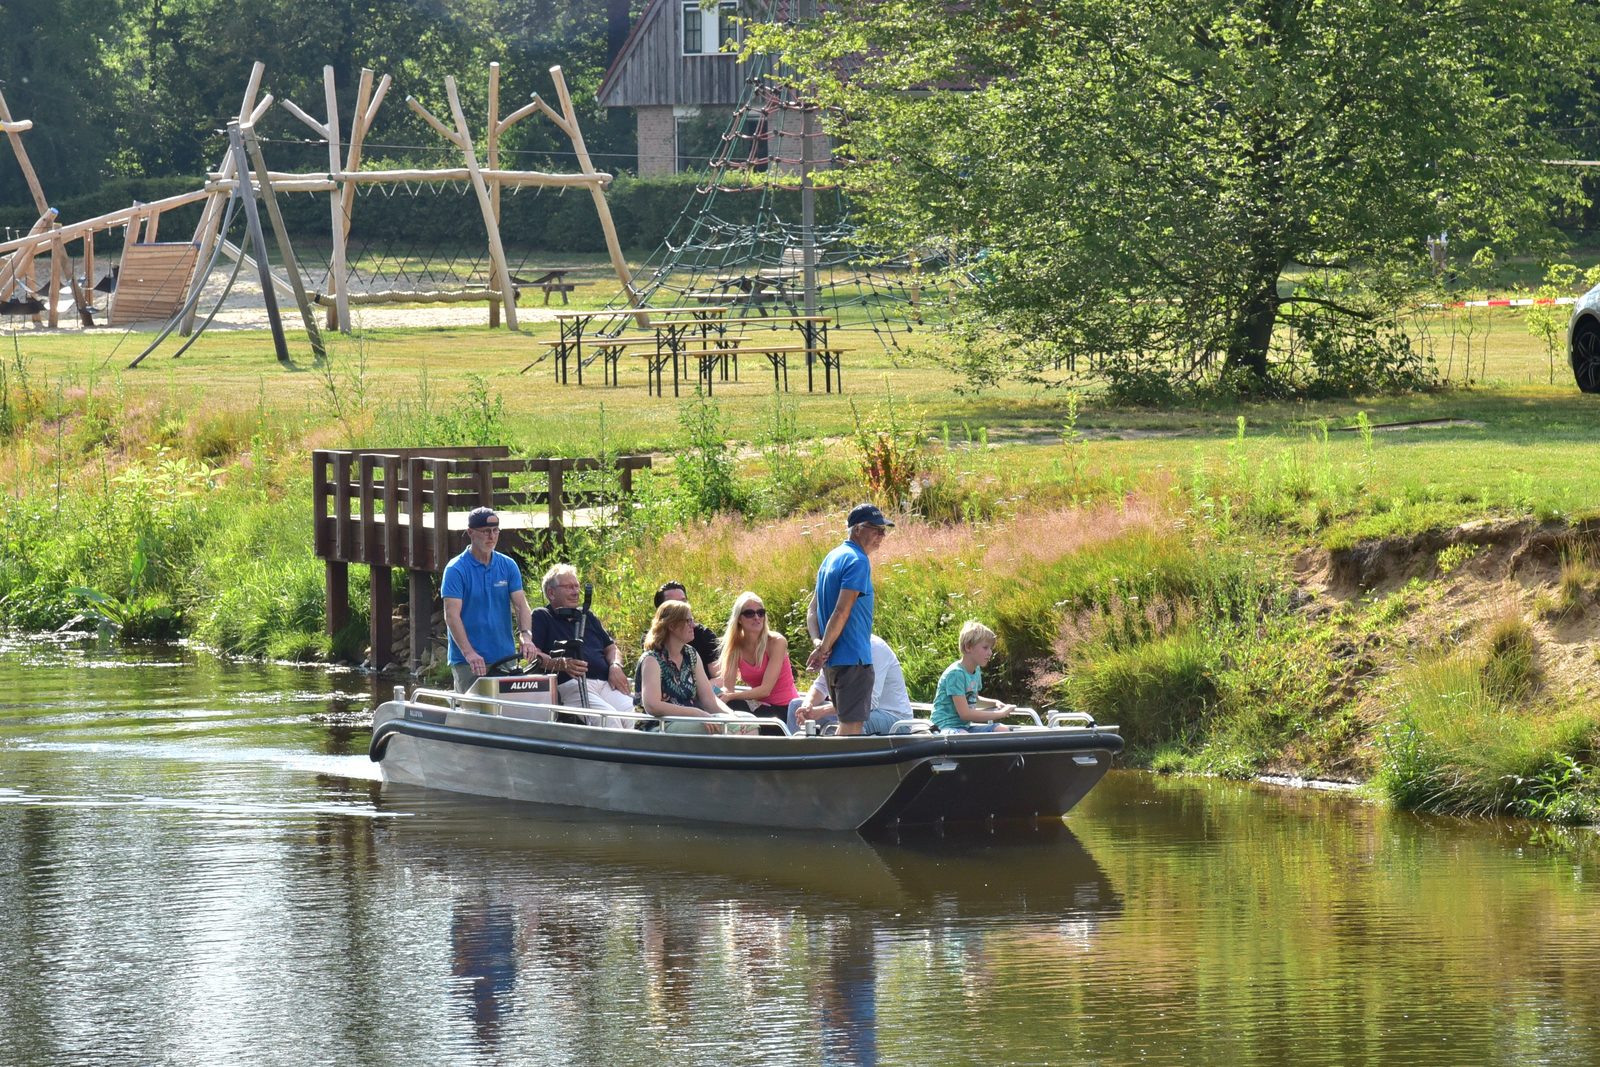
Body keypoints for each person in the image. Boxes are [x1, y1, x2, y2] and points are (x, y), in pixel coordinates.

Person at [806, 503, 893, 736]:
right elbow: (842, 611)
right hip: (854, 660)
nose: (881, 536)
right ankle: (833, 773)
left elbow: (812, 611)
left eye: (884, 530)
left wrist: (818, 644)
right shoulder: (858, 561)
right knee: (851, 731)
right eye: (876, 529)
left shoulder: (831, 557)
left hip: (834, 663)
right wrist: (822, 647)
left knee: (845, 727)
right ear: (857, 529)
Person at [441, 506, 542, 693]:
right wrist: (469, 653)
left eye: (496, 531)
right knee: (475, 715)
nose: (492, 536)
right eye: (486, 531)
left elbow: (520, 604)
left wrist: (526, 636)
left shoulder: (508, 565)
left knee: (509, 712)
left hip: (505, 657)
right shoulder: (456, 569)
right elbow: (451, 616)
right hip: (469, 661)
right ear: (470, 533)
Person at [529, 563, 633, 726]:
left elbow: (611, 647)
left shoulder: (587, 616)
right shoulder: (542, 616)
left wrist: (615, 666)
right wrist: (560, 664)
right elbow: (533, 654)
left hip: (606, 682)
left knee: (632, 714)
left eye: (577, 586)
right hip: (572, 685)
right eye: (569, 587)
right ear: (551, 593)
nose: (576, 592)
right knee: (609, 719)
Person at [637, 600, 749, 733]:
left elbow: (709, 699)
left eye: (692, 620)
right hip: (659, 726)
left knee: (748, 721)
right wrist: (695, 713)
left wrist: (732, 716)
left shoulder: (691, 654)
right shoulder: (652, 659)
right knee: (717, 727)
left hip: (689, 721)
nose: (693, 625)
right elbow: (652, 706)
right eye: (688, 621)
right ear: (672, 626)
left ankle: (744, 752)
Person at [790, 634, 915, 736]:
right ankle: (796, 758)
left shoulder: (875, 648)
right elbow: (821, 685)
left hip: (891, 715)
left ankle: (837, 761)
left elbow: (869, 703)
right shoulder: (835, 648)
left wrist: (821, 711)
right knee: (796, 705)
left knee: (855, 721)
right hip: (851, 710)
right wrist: (807, 706)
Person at [719, 590, 800, 728]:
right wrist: (721, 696)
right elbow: (728, 688)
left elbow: (765, 690)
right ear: (739, 619)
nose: (756, 617)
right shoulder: (734, 647)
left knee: (733, 702)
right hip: (760, 707)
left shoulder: (776, 642)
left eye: (761, 612)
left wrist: (731, 696)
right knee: (729, 705)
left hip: (786, 711)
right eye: (749, 613)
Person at [930, 620, 1015, 733]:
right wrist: (1000, 714)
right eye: (985, 648)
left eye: (990, 648)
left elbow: (974, 699)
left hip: (964, 728)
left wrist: (995, 702)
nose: (990, 653)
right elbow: (965, 714)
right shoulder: (956, 673)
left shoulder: (976, 670)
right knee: (963, 736)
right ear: (968, 647)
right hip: (944, 728)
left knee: (1002, 729)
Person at [653, 581, 722, 685]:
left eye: (683, 601)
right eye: (674, 603)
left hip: (705, 692)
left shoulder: (702, 636)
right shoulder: (653, 642)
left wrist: (699, 694)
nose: (681, 606)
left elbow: (720, 677)